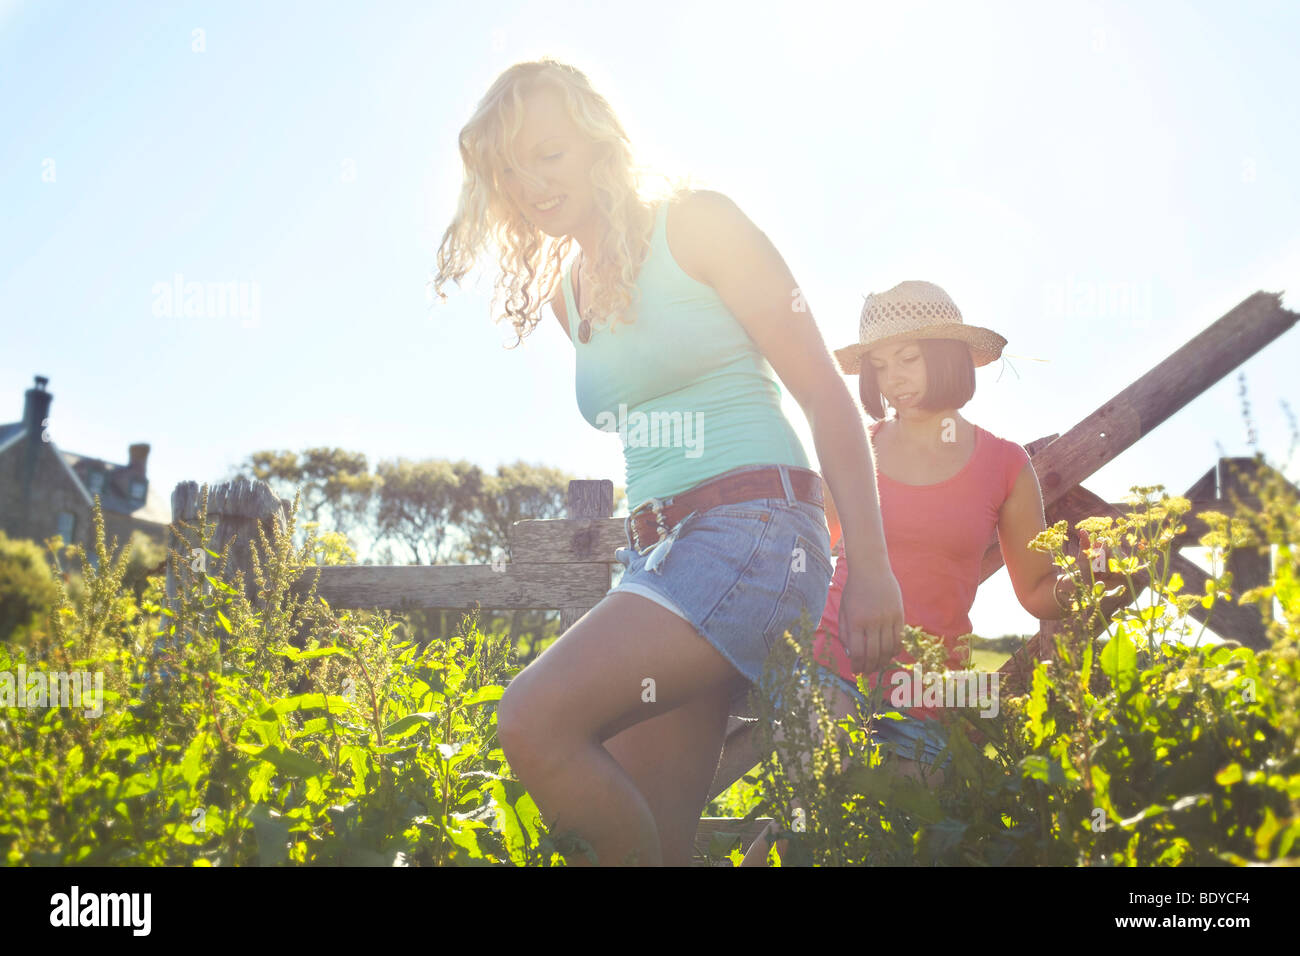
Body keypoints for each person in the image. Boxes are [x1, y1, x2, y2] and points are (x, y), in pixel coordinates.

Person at [432, 59, 903, 866]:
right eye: (510, 171)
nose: (533, 184)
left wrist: (873, 568)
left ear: (596, 141)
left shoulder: (699, 223)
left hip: (754, 534)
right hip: (656, 558)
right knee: (651, 840)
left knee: (534, 719)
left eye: (548, 153)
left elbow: (826, 392)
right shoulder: (566, 298)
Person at [742, 279, 1126, 865]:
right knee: (807, 818)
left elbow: (1039, 593)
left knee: (901, 847)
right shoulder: (856, 445)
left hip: (928, 686)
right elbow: (808, 553)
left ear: (947, 357)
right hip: (834, 657)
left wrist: (1102, 575)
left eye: (909, 358)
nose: (893, 376)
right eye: (879, 364)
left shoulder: (1005, 463)